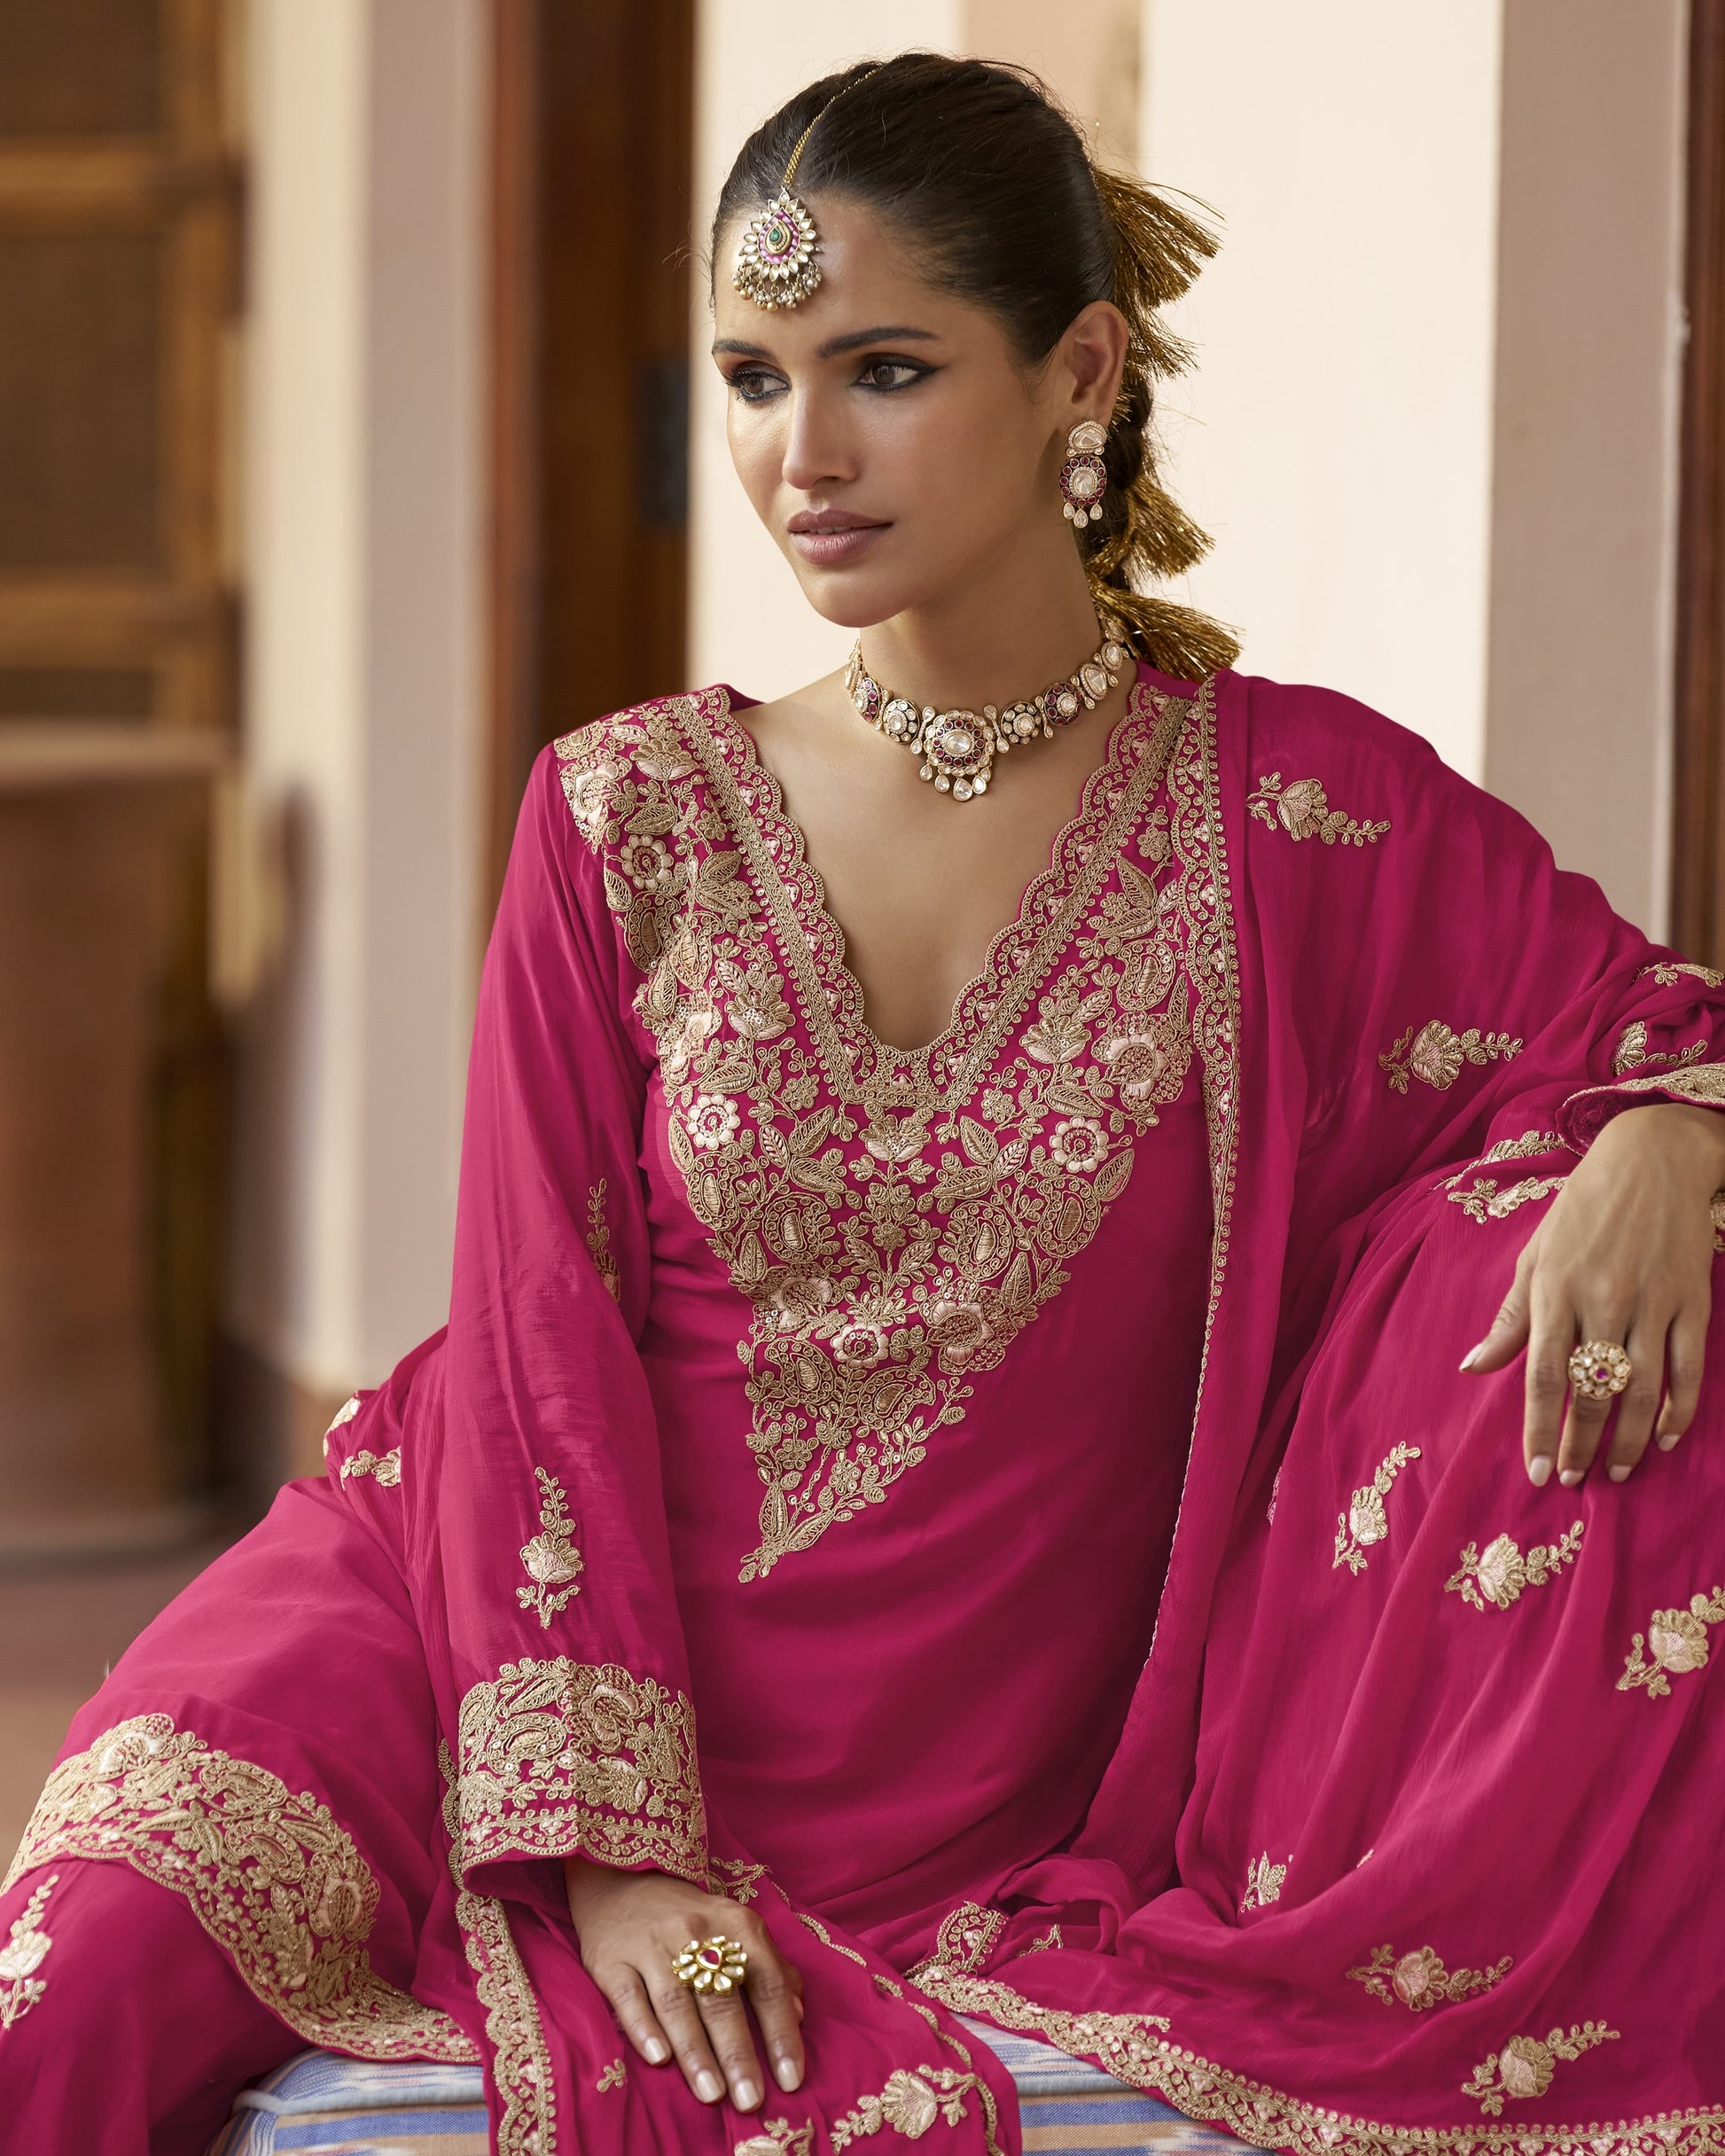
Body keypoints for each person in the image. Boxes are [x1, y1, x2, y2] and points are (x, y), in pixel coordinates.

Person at [4, 50, 1724, 2154]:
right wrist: (607, 1842)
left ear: (1078, 370)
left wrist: (1665, 1137)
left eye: (881, 370)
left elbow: (1638, 1019)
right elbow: (534, 1326)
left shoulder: (1289, 813)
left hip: (963, 1761)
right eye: (747, 374)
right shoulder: (619, 811)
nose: (796, 453)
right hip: (497, 1614)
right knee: (80, 1973)